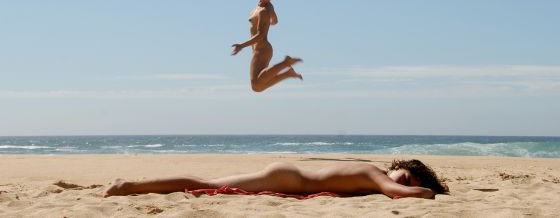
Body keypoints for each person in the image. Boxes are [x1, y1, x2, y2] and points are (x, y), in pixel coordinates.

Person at [104, 159, 448, 199]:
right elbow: (396, 192)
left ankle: (133, 185)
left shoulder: (369, 175)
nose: (404, 183)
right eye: (407, 177)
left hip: (288, 177)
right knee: (202, 183)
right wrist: (430, 194)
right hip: (287, 178)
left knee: (205, 182)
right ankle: (130, 187)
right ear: (397, 166)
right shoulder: (375, 175)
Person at [231, 0, 303, 92]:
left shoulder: (263, 11)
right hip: (259, 50)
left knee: (256, 85)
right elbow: (274, 22)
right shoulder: (260, 8)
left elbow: (261, 35)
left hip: (262, 50)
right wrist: (271, 9)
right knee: (257, 86)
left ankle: (286, 63)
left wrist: (241, 46)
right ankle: (288, 74)